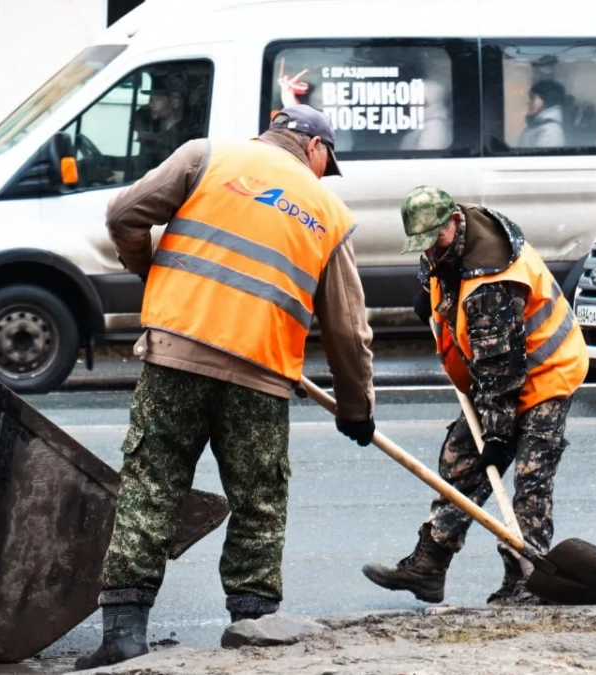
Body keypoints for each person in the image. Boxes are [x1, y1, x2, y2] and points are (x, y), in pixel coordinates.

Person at [74, 104, 377, 670]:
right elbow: (347, 328)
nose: (324, 174)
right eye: (326, 163)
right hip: (259, 374)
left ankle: (123, 636)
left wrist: (148, 267)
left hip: (176, 354)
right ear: (314, 147)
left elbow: (123, 214)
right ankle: (253, 627)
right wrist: (356, 409)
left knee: (150, 484)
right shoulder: (329, 214)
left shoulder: (205, 156)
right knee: (258, 500)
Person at [360, 186, 587, 606]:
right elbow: (443, 282)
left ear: (454, 221)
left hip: (546, 371)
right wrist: (435, 300)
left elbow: (500, 371)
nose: (430, 250)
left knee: (531, 477)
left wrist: (498, 436)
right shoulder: (445, 248)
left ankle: (525, 578)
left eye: (436, 239)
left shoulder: (492, 280)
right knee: (461, 459)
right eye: (423, 244)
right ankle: (429, 565)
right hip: (496, 370)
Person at [517, 80, 568, 149]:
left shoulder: (551, 130)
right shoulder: (539, 125)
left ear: (547, 100)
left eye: (532, 98)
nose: (528, 103)